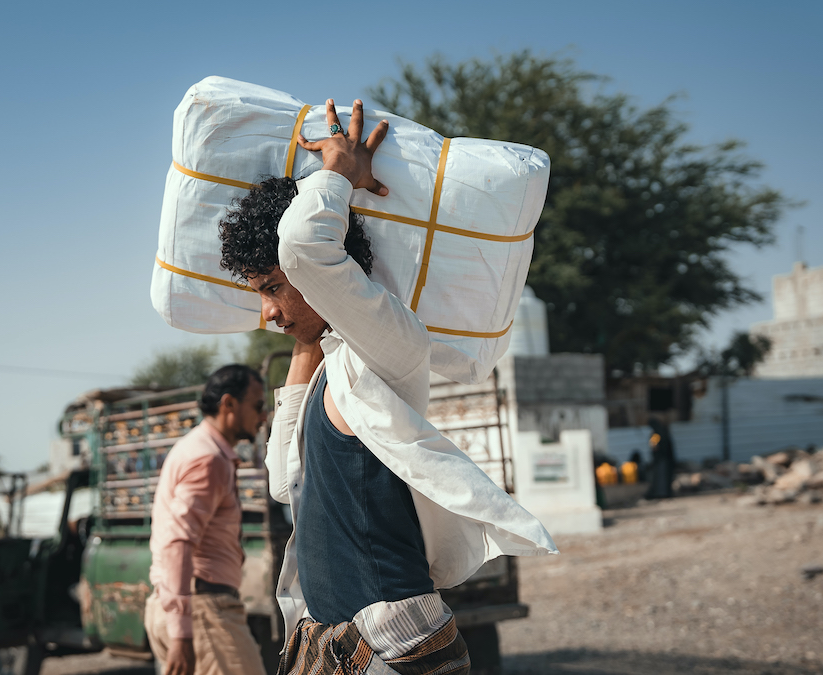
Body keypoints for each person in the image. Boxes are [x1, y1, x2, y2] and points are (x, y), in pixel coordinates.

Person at [217, 99, 556, 675]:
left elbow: (303, 244)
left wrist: (338, 178)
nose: (268, 312)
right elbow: (282, 480)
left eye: (274, 287)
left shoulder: (389, 347)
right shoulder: (328, 366)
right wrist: (303, 334)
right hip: (337, 645)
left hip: (396, 648)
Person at [144, 364, 269, 675]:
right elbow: (178, 542)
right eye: (257, 405)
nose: (263, 416)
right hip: (204, 611)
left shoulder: (198, 448)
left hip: (185, 607)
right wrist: (182, 631)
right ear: (229, 404)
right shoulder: (207, 458)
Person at [644, 416, 677, 499]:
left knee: (660, 477)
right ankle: (665, 493)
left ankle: (661, 493)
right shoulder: (664, 431)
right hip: (667, 459)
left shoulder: (656, 434)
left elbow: (654, 446)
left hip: (660, 460)